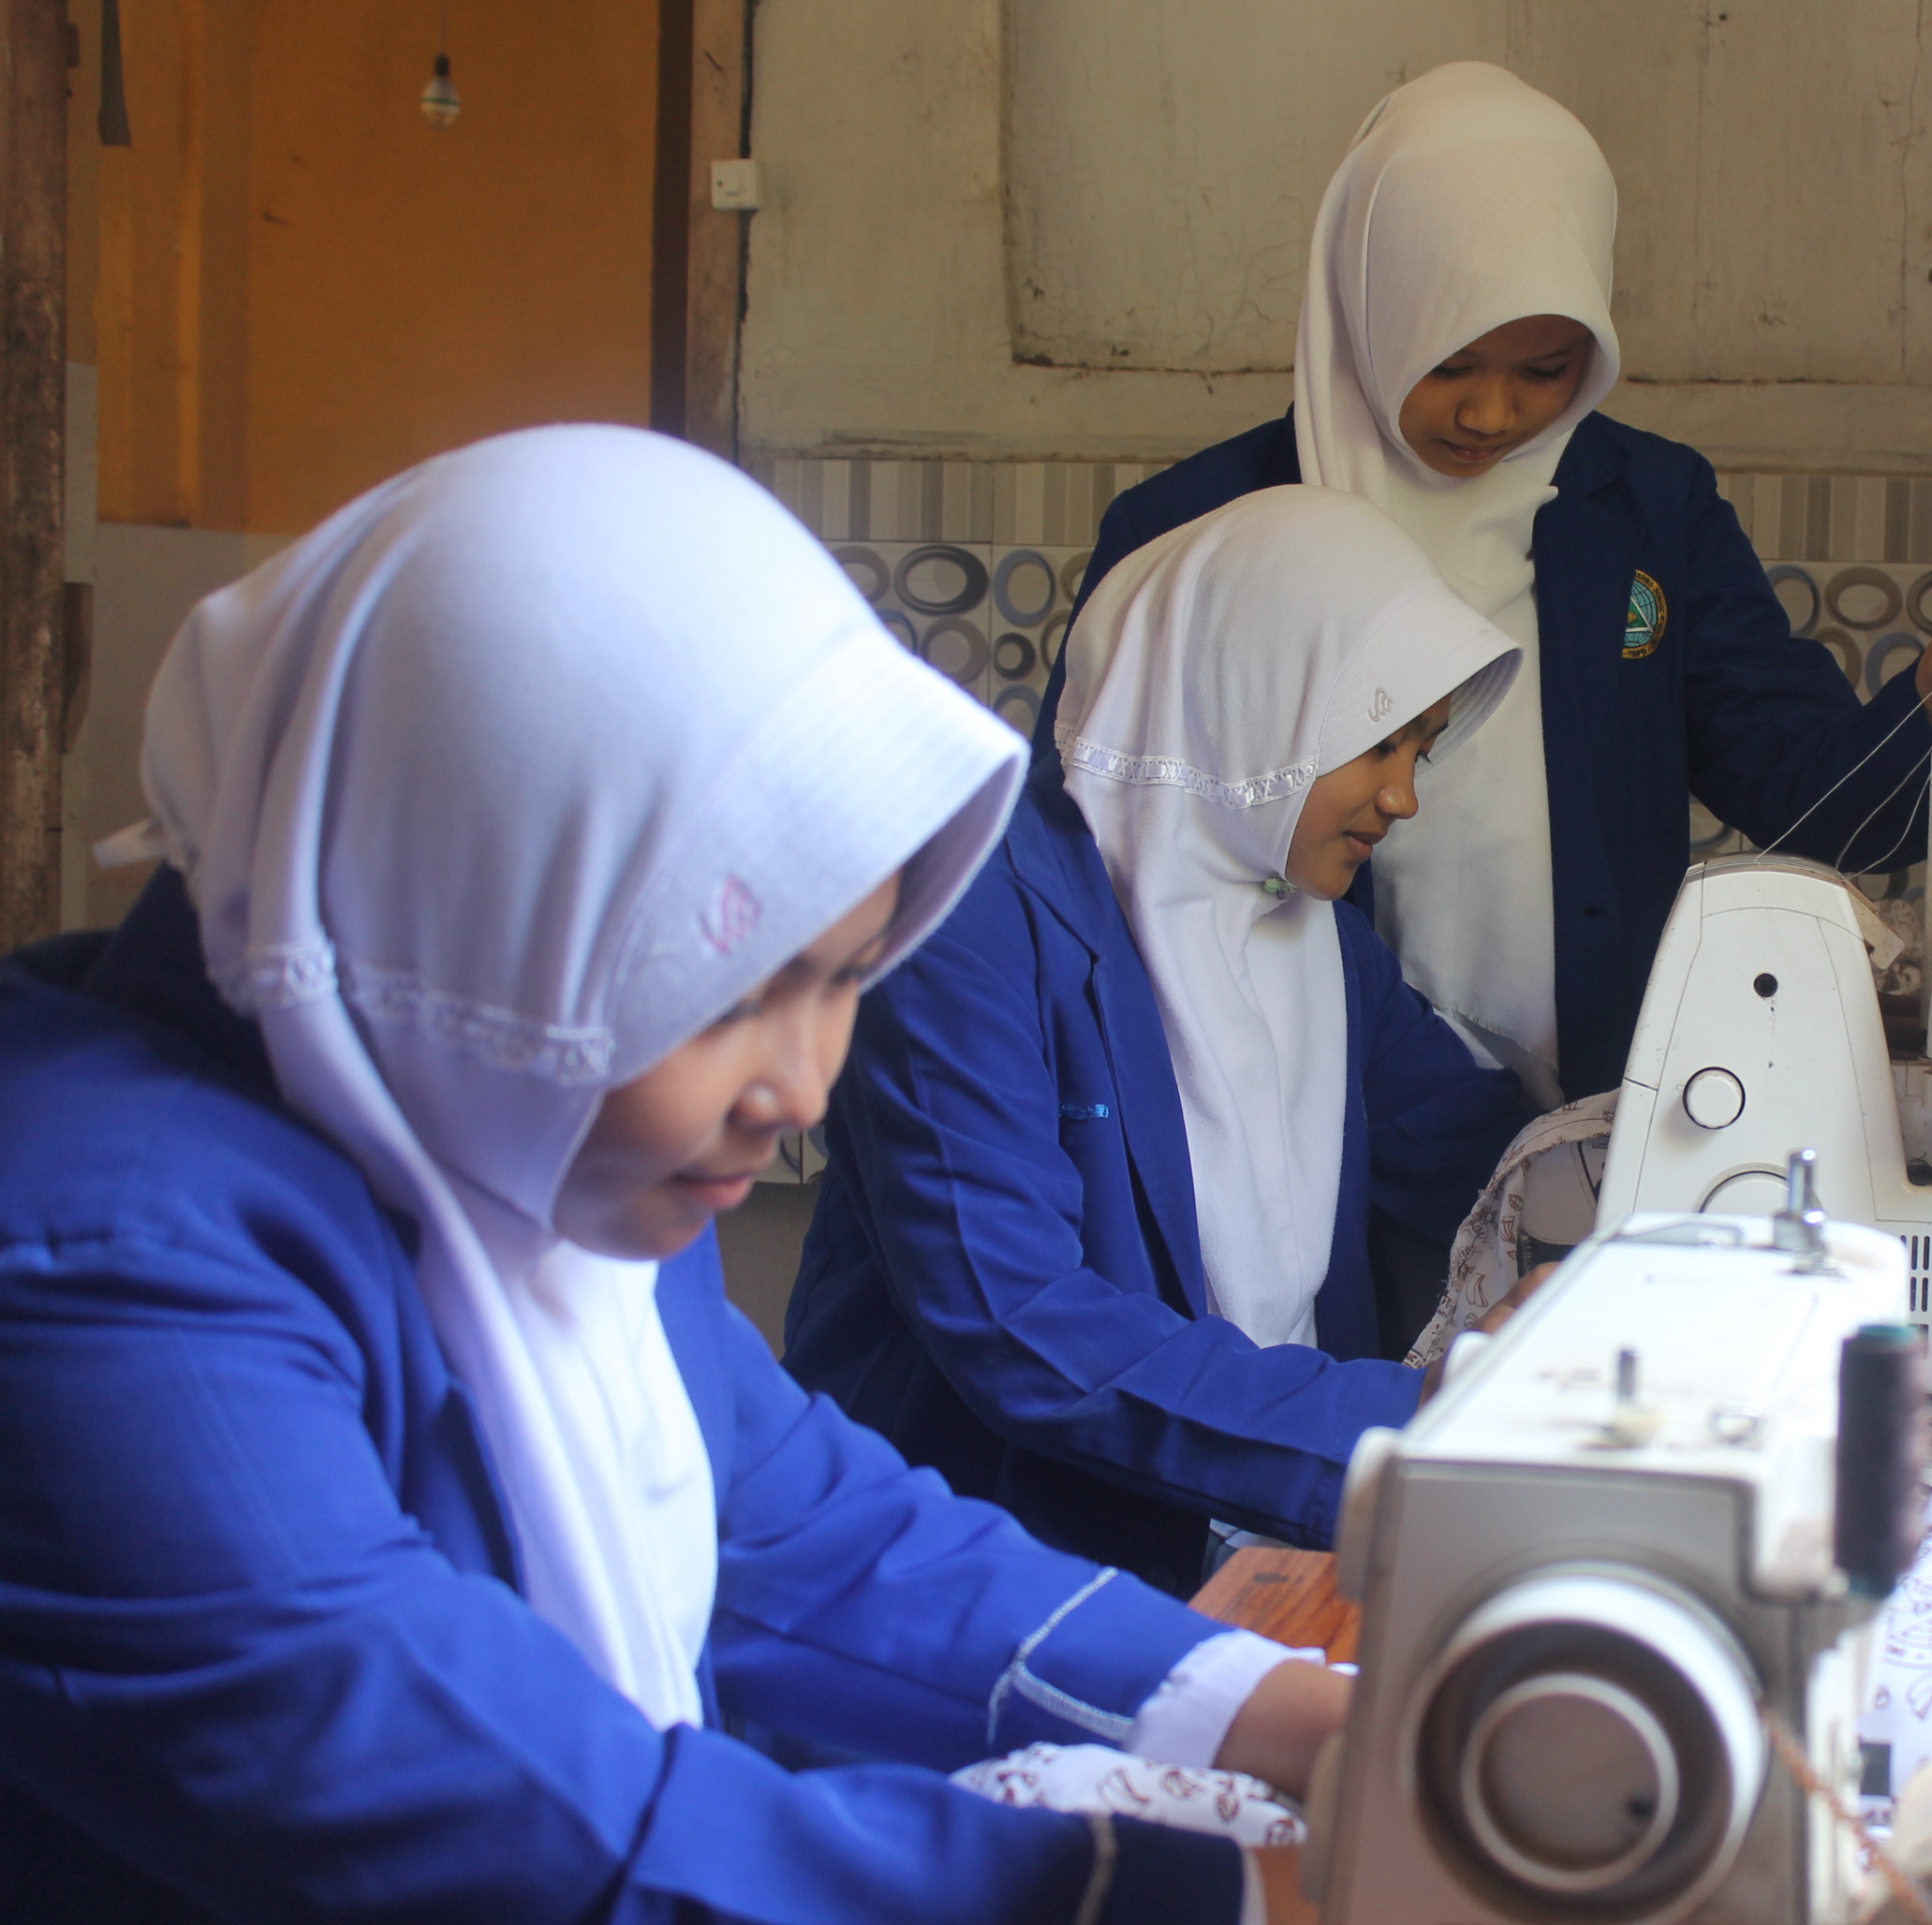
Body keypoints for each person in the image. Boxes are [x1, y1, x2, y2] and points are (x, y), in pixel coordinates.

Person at [0, 427, 1340, 1925]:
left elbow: (792, 1525)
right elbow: (488, 1815)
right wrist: (1258, 1897)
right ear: (463, 908)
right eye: (722, 999)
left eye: (848, 976)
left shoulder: (524, 1119)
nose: (802, 1091)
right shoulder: (99, 1272)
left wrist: (1294, 1715)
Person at [1064, 62, 1932, 1110]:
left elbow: (1817, 805)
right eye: (1449, 364)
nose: (1491, 414)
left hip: (1587, 1108)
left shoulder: (1648, 509)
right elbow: (1094, 854)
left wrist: (1929, 716)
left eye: (1544, 369)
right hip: (1274, 1099)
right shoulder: (1194, 533)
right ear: (1365, 307)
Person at [786, 486, 1533, 1598]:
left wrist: (1639, 1194)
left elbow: (1472, 1147)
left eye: (1420, 752)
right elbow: (1021, 1323)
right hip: (993, 1558)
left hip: (1249, 1531)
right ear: (1250, 702)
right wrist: (1409, 1417)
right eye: (1378, 744)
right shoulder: (970, 921)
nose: (1402, 798)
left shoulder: (1310, 929)